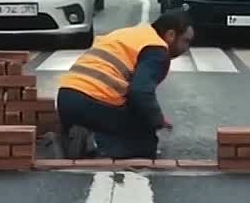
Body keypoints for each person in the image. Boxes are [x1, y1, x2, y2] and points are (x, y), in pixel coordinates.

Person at [53, 9, 195, 159]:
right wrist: (156, 120)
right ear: (171, 35)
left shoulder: (132, 34)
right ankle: (94, 142)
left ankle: (70, 137)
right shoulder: (157, 49)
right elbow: (140, 92)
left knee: (130, 120)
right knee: (146, 141)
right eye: (185, 41)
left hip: (65, 98)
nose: (186, 49)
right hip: (92, 103)